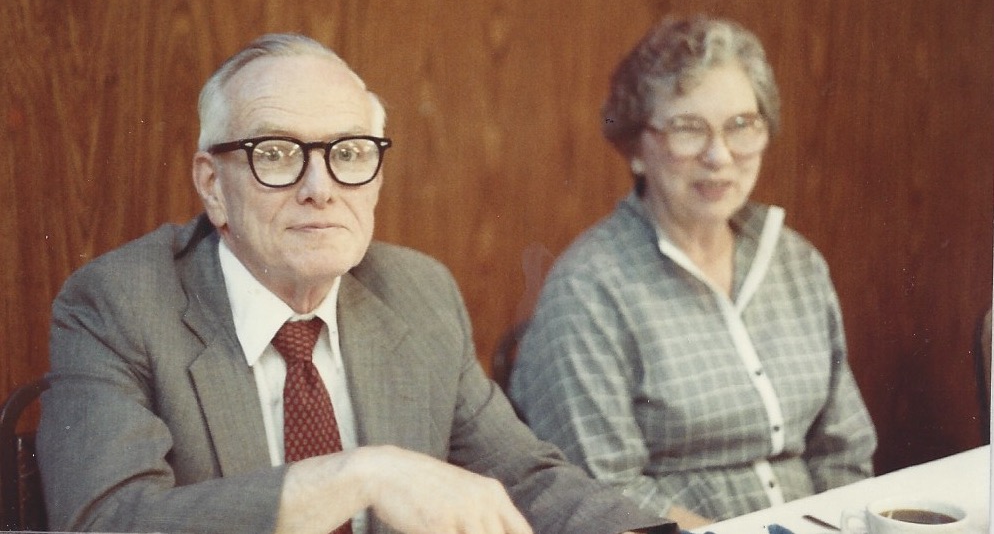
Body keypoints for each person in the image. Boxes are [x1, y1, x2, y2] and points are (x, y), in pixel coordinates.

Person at [37, 33, 675, 534]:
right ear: (213, 185)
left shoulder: (417, 292)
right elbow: (104, 524)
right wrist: (357, 476)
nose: (321, 189)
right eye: (277, 154)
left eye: (348, 153)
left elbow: (526, 480)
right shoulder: (118, 303)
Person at [508, 15, 877, 529]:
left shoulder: (797, 262)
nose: (719, 155)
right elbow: (603, 493)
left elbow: (844, 450)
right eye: (688, 128)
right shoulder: (588, 288)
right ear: (637, 148)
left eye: (741, 125)